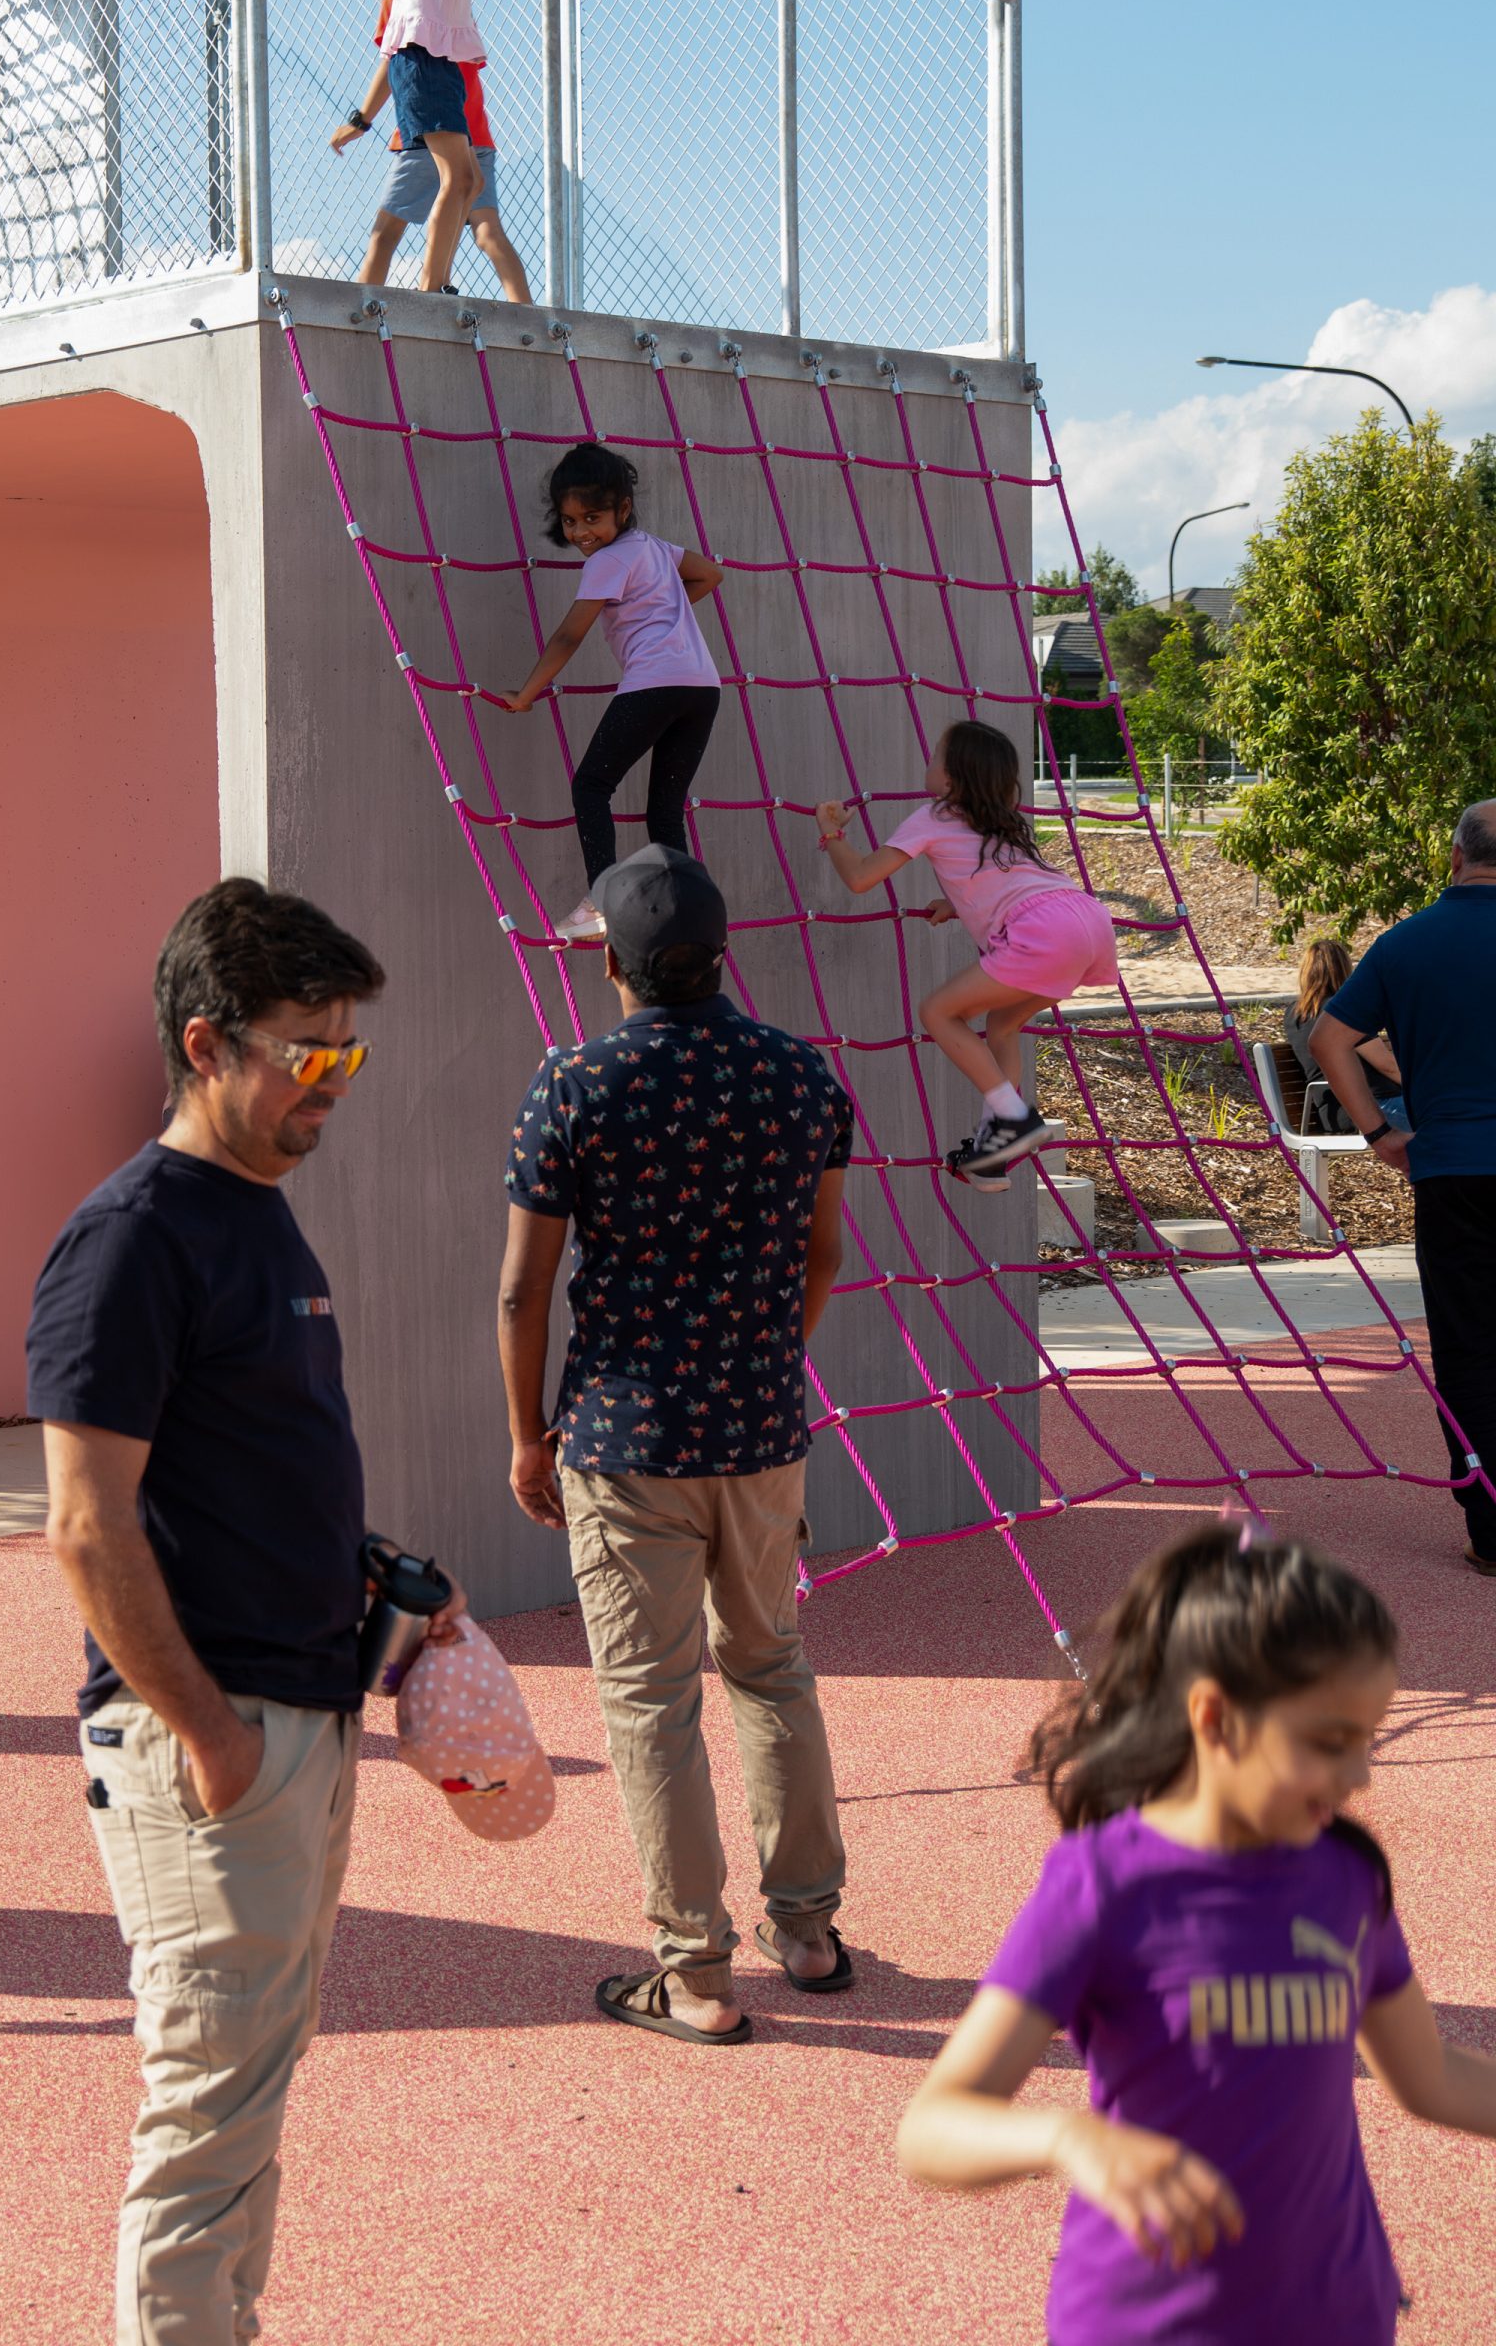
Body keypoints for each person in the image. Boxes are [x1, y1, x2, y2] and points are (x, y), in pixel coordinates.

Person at [27, 879, 464, 2346]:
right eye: (310, 1052)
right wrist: (210, 1738)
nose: (333, 1082)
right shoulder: (133, 1238)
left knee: (249, 2100)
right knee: (207, 2108)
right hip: (209, 1744)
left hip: (299, 1713)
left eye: (351, 1052)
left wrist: (372, 1577)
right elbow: (86, 1525)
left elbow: (236, 1475)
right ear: (208, 1043)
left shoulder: (258, 1219)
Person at [898, 1524, 1496, 2344]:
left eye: (1367, 1740)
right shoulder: (1102, 1885)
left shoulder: (1347, 1880)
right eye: (1329, 1742)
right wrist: (1071, 2139)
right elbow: (933, 2126)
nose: (1359, 1775)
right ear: (1215, 1716)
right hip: (1146, 2326)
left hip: (1336, 2315)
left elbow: (1432, 2080)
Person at [497, 845, 852, 2046]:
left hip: (626, 1433)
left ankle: (695, 1972)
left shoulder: (575, 1083)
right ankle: (805, 1930)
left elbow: (522, 1290)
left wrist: (526, 1437)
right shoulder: (801, 1076)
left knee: (651, 1702)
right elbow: (823, 1255)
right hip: (760, 1431)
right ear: (723, 952)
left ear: (612, 961)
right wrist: (765, 1354)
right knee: (772, 1666)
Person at [1311, 797, 1496, 1577]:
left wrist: (1381, 1133)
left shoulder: (1405, 943)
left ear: (1455, 859)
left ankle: (1490, 1527)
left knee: (1467, 1342)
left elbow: (1329, 1036)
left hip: (1452, 1164)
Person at [817, 718, 1117, 1180]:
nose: (929, 761)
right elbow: (1012, 885)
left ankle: (1013, 1116)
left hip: (1043, 933)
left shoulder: (934, 815)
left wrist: (833, 833)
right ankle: (992, 1147)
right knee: (1002, 1024)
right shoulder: (1004, 821)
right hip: (1087, 921)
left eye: (936, 754)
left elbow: (860, 878)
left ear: (952, 778)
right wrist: (956, 904)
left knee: (938, 1012)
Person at [504, 442, 724, 944]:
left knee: (591, 786)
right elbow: (712, 574)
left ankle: (603, 896)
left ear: (623, 510)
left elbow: (569, 635)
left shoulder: (607, 562)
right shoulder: (656, 549)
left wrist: (527, 694)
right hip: (702, 688)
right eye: (569, 521)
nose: (581, 533)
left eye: (593, 518)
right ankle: (688, 912)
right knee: (665, 807)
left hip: (655, 683)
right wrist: (660, 607)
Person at [375, 0, 556, 295]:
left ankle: (437, 279)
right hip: (424, 61)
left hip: (429, 62)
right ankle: (431, 285)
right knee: (458, 177)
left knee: (470, 179)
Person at [329, 0, 532, 302]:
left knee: (388, 231)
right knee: (483, 226)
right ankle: (520, 310)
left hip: (429, 130)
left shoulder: (401, 0)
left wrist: (362, 119)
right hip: (473, 131)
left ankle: (372, 303)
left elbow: (392, 65)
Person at [1283, 938, 1406, 1135]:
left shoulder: (1294, 1014)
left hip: (1335, 1109)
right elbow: (1387, 1066)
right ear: (1343, 968)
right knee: (1454, 1116)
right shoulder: (1342, 1011)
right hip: (1370, 1109)